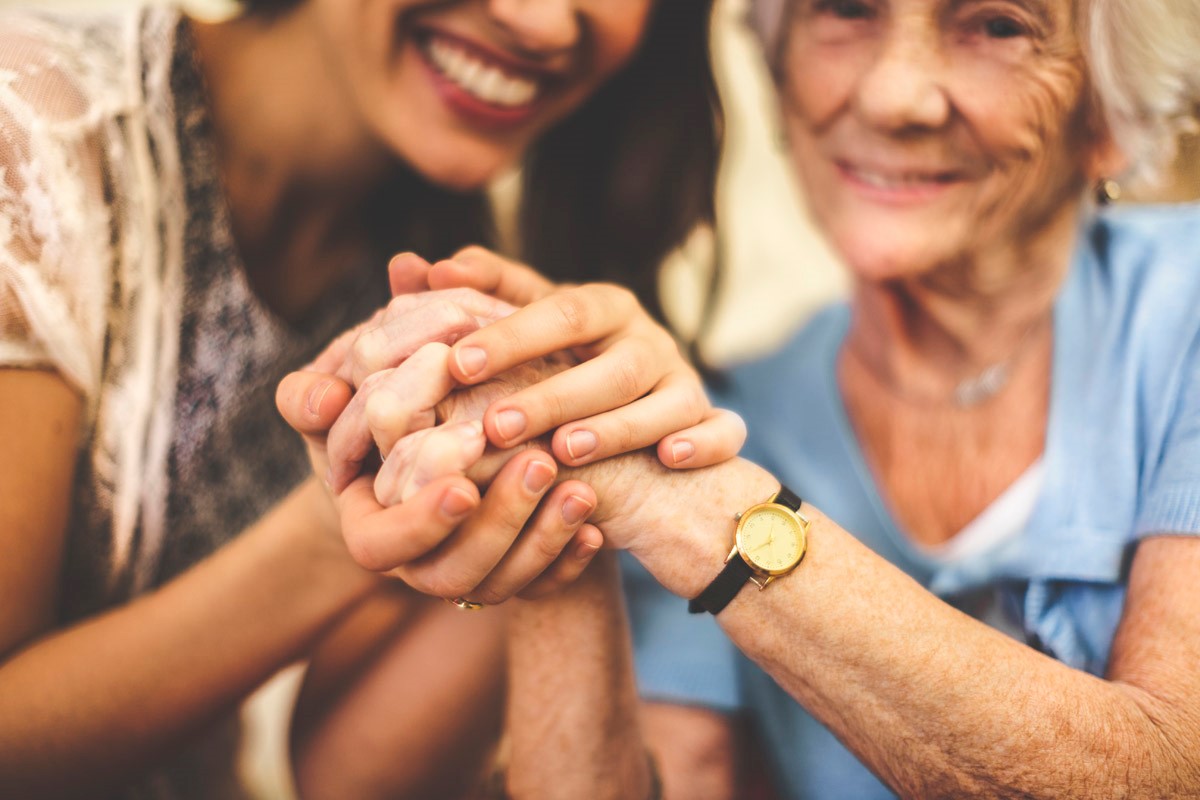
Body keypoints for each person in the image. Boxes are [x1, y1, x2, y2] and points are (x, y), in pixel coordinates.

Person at [285, 0, 1200, 795]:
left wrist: (675, 498)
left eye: (999, 25)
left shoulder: (695, 460)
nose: (892, 95)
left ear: (1110, 111)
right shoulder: (718, 412)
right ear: (777, 70)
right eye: (845, 8)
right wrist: (550, 466)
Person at [0, 1, 745, 797]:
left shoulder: (456, 269)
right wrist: (336, 528)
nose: (541, 23)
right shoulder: (32, 135)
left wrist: (564, 480)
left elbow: (353, 778)